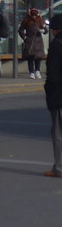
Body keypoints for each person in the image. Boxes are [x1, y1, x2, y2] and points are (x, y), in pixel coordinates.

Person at [45, 22, 62, 179]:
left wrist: (50, 93)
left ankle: (59, 168)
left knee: (57, 132)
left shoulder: (56, 44)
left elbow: (53, 73)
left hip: (59, 94)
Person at [19, 8, 47, 79]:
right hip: (30, 40)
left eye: (35, 15)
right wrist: (25, 38)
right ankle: (31, 72)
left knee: (38, 57)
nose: (34, 16)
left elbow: (46, 30)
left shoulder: (40, 20)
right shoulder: (26, 20)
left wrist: (42, 30)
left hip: (38, 40)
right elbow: (20, 30)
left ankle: (37, 71)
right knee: (30, 56)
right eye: (32, 15)